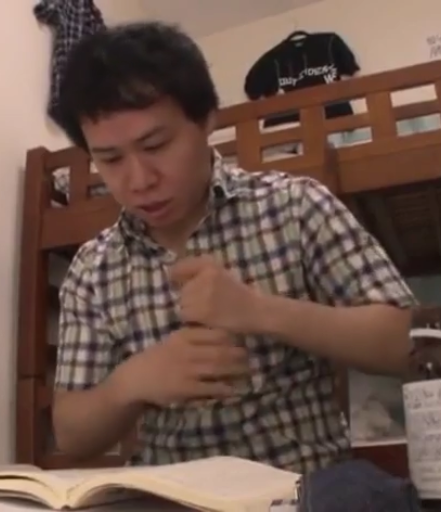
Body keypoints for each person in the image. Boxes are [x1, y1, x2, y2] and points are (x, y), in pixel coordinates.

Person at [50, 21, 417, 474]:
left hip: (303, 487)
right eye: (110, 159)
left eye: (156, 145)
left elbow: (410, 345)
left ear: (207, 119)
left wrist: (260, 311)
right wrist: (133, 381)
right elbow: (71, 435)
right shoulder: (92, 268)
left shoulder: (295, 205)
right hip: (170, 496)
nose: (139, 180)